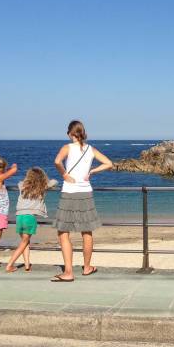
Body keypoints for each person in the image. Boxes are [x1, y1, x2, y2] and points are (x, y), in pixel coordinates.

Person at [51, 120, 113, 282]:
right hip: (85, 192)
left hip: (69, 192)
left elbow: (57, 162)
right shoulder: (90, 149)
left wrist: (64, 175)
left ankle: (69, 271)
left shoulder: (67, 148)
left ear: (70, 134)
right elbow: (109, 164)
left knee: (63, 232)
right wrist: (93, 171)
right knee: (87, 231)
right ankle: (87, 267)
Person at [6, 167, 58, 273]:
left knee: (25, 241)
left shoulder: (22, 186)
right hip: (29, 217)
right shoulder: (42, 186)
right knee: (24, 242)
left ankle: (26, 264)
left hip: (19, 216)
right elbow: (55, 181)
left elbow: (20, 182)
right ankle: (10, 264)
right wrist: (44, 180)